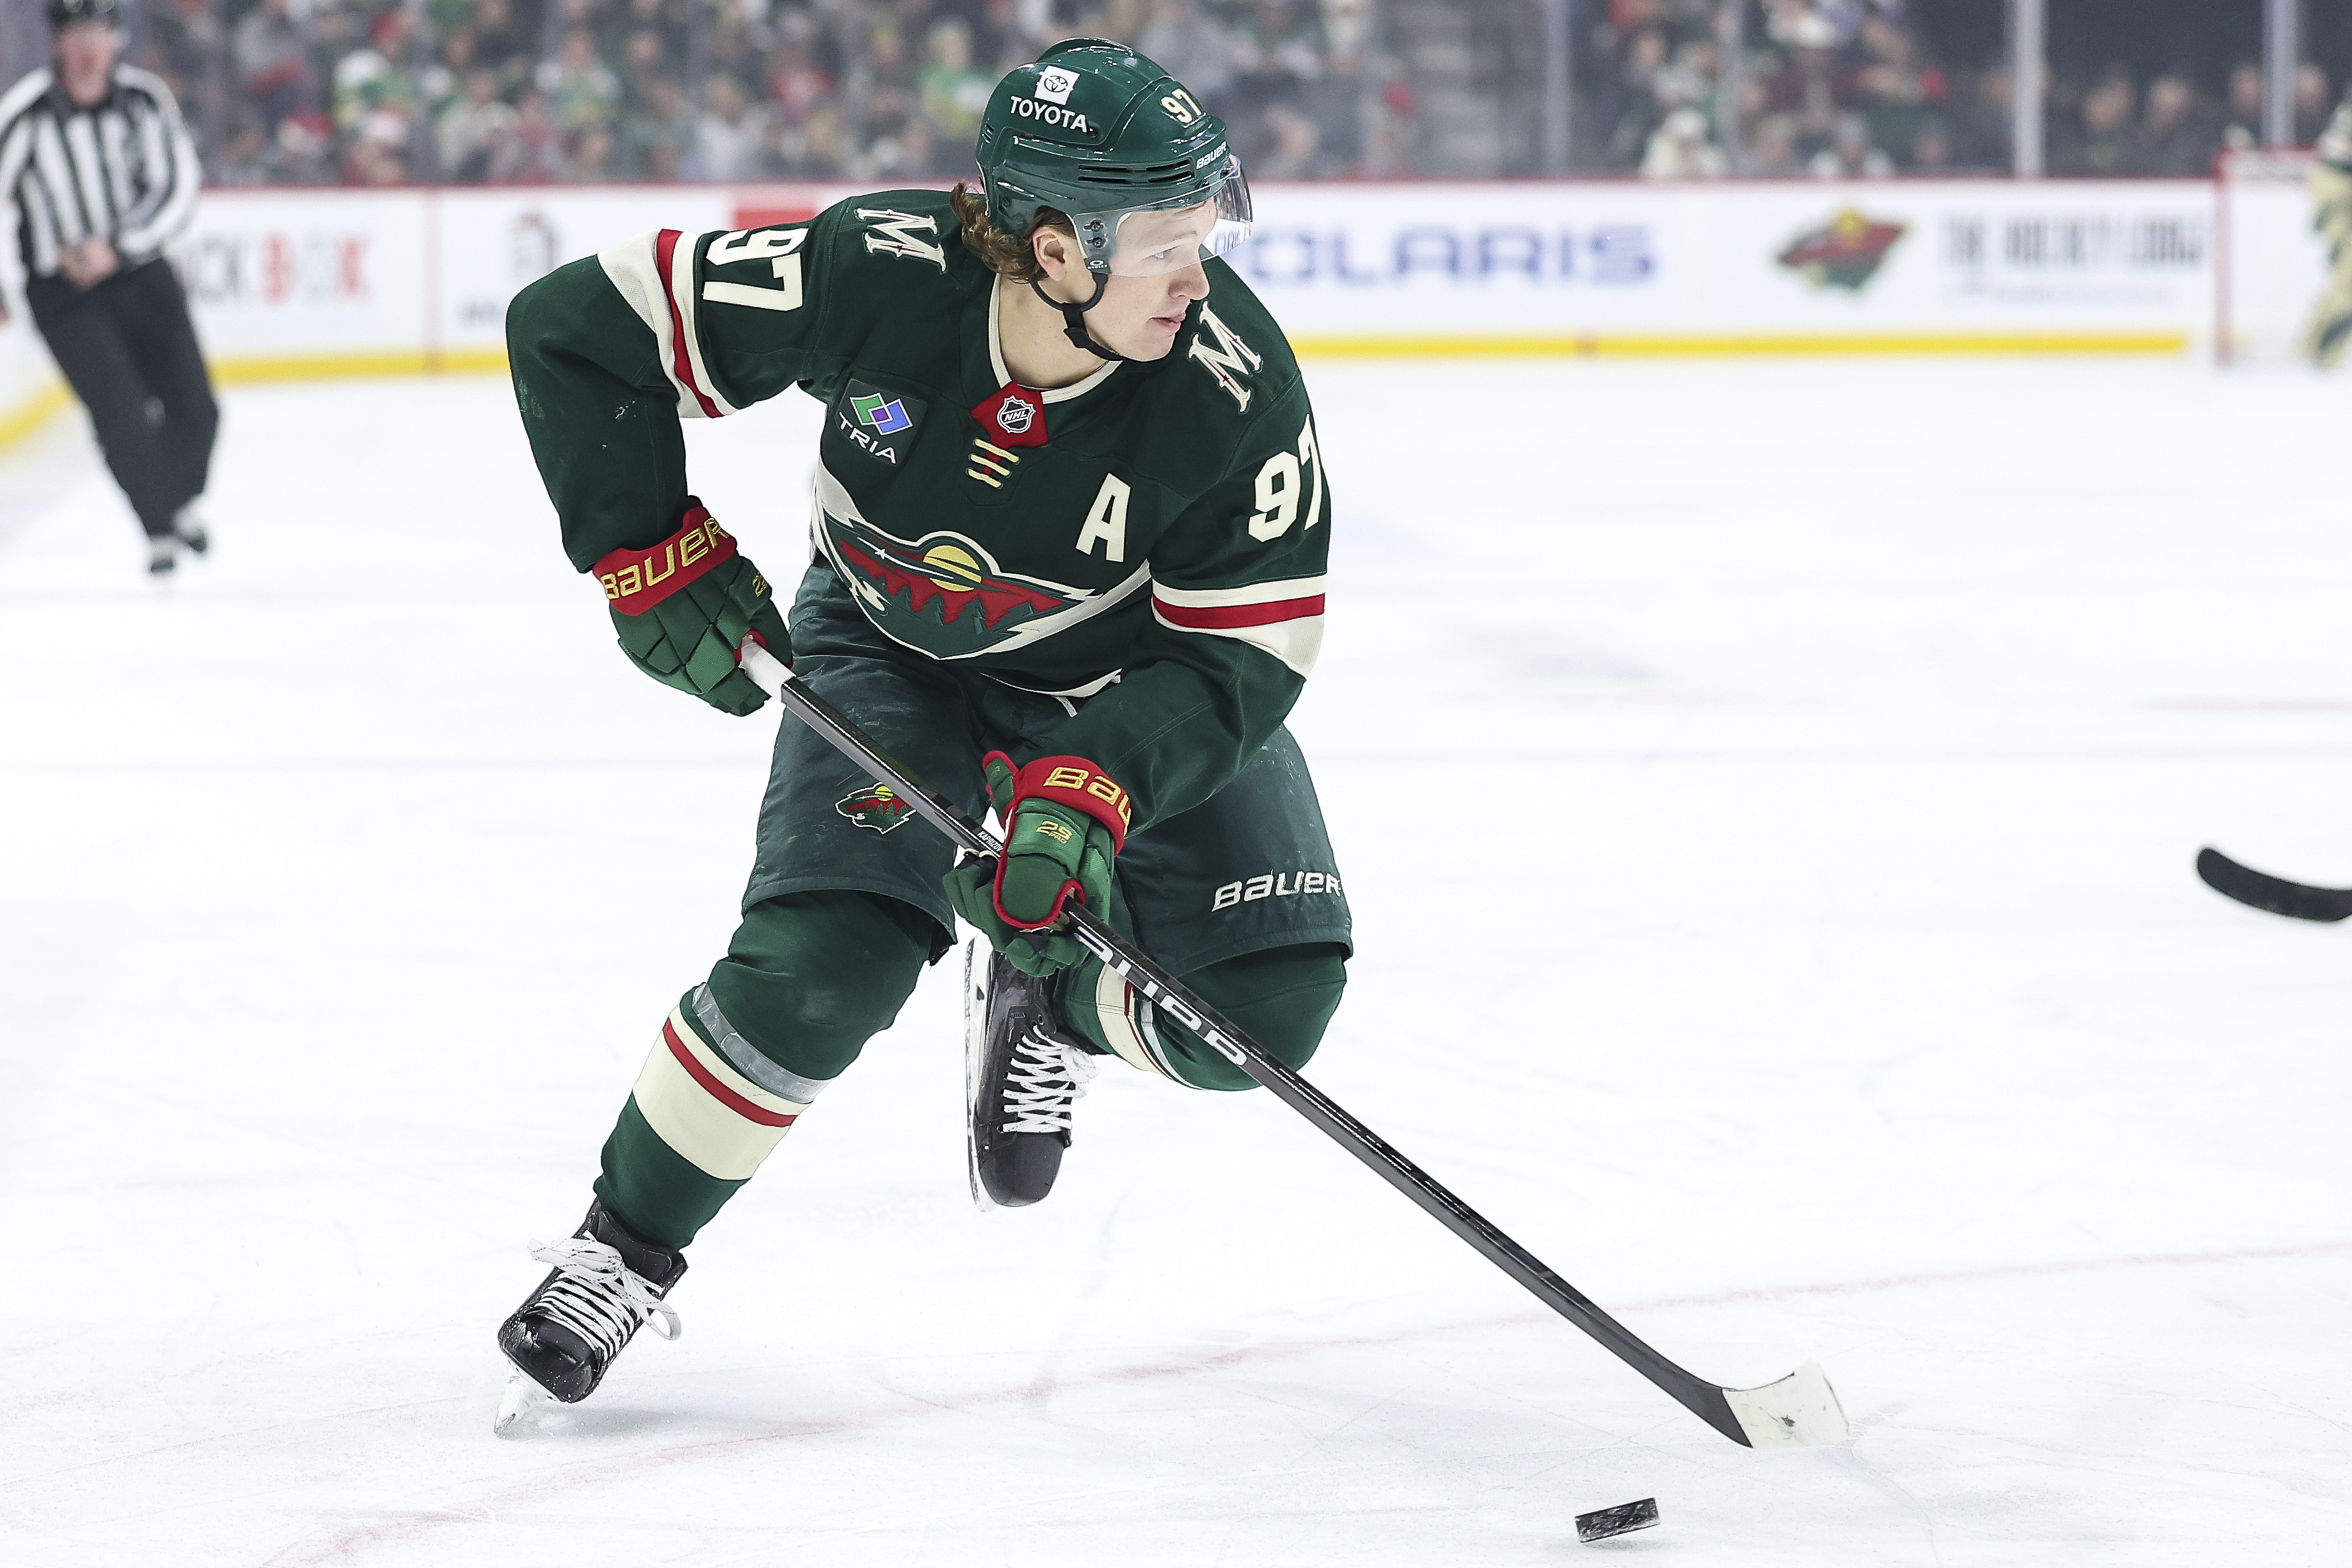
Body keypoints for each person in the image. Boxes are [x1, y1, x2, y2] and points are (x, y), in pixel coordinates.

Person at [492, 38, 1349, 1423]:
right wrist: (644, 547)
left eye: (1207, 234)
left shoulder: (1231, 389)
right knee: (816, 975)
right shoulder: (872, 273)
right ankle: (621, 1249)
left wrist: (1095, 787)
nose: (1199, 277)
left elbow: (1244, 657)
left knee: (1271, 1007)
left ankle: (1049, 994)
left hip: (1120, 686)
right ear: (1056, 250)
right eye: (1165, 245)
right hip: (883, 646)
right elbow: (574, 326)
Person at [0, 0, 215, 575]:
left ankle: (174, 501)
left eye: (99, 32)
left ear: (117, 40)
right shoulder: (24, 116)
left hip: (141, 273)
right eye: (76, 34)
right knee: (120, 415)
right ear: (57, 44)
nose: (89, 47)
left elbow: (179, 186)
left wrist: (118, 246)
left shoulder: (144, 101)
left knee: (198, 409)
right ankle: (160, 530)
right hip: (63, 293)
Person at [2308, 88, 2352, 369]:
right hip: (2335, 184)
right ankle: (2317, 355)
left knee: (2345, 277)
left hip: (2335, 182)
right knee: (2346, 276)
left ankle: (2315, 355)